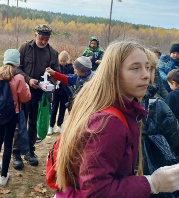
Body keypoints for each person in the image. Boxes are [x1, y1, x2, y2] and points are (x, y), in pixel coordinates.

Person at [54, 41, 179, 198]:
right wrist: (152, 183)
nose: (146, 75)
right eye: (135, 68)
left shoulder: (112, 106)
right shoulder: (109, 123)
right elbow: (96, 193)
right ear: (114, 73)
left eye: (147, 67)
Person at [13, 24, 60, 170]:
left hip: (40, 95)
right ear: (35, 35)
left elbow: (56, 73)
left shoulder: (52, 53)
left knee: (34, 123)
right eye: (41, 38)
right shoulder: (25, 48)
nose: (44, 41)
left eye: (46, 39)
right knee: (20, 123)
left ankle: (29, 152)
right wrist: (28, 79)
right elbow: (16, 68)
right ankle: (16, 154)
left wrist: (49, 82)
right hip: (23, 92)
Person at [0, 49, 31, 185]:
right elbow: (25, 97)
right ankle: (4, 175)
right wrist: (27, 88)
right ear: (17, 63)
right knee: (8, 143)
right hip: (12, 114)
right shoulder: (19, 78)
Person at [48, 51, 74, 135]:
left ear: (67, 60)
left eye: (64, 61)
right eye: (61, 61)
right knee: (54, 108)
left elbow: (71, 77)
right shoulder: (56, 67)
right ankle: (51, 126)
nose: (62, 62)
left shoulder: (70, 67)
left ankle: (59, 125)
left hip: (66, 91)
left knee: (62, 109)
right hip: (57, 90)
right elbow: (52, 76)